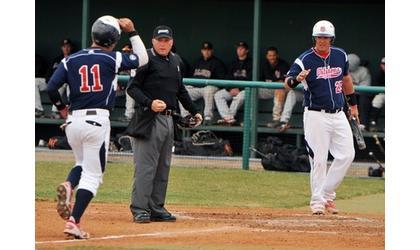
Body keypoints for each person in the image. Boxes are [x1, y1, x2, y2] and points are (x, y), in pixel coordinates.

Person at [47, 16, 148, 239]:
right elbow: (142, 59)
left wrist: (63, 110)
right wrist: (132, 31)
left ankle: (70, 184)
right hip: (97, 121)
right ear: (112, 39)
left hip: (73, 121)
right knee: (94, 176)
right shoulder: (111, 58)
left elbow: (52, 87)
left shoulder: (71, 59)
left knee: (82, 164)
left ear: (94, 35)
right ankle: (74, 221)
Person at [126, 25, 202, 223]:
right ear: (152, 41)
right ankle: (140, 208)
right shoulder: (145, 59)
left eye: (166, 40)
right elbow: (132, 88)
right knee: (145, 166)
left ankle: (156, 207)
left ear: (171, 41)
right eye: (159, 40)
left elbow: (180, 90)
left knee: (163, 166)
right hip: (148, 119)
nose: (163, 43)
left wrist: (195, 111)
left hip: (170, 118)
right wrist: (149, 102)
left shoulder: (175, 60)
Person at [284, 20, 358, 215]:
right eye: (319, 37)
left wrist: (353, 104)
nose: (322, 41)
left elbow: (346, 79)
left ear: (331, 39)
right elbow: (287, 82)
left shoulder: (340, 55)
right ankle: (318, 201)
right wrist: (296, 79)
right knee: (319, 159)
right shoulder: (304, 59)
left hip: (338, 113)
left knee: (347, 154)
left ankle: (326, 193)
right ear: (314, 38)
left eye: (325, 37)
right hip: (316, 114)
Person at [179, 41, 226, 125]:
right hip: (197, 88)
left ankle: (208, 117)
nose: (206, 52)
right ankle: (186, 116)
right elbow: (190, 76)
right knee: (183, 90)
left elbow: (221, 80)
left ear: (212, 51)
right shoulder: (197, 62)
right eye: (204, 50)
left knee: (209, 90)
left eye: (208, 50)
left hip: (208, 88)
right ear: (202, 51)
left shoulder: (217, 63)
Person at [214, 41, 252, 125]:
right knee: (218, 95)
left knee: (240, 96)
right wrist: (230, 88)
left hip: (245, 90)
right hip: (232, 89)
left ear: (247, 51)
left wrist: (240, 89)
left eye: (241, 49)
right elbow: (227, 77)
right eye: (238, 48)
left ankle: (229, 118)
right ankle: (228, 118)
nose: (239, 50)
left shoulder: (251, 63)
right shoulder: (233, 63)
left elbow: (251, 78)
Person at [260, 47, 290, 128]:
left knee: (279, 89)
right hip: (268, 89)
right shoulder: (264, 65)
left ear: (277, 55)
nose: (272, 57)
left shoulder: (283, 64)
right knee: (252, 91)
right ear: (267, 56)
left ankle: (276, 119)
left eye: (273, 55)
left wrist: (277, 82)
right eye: (270, 55)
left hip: (282, 90)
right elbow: (260, 80)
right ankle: (249, 119)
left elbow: (284, 82)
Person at [47, 39, 75, 118]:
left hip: (72, 82)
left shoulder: (75, 58)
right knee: (57, 86)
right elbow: (49, 73)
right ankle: (55, 111)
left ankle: (72, 108)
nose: (66, 48)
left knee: (69, 85)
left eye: (68, 46)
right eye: (64, 47)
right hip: (60, 83)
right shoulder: (57, 60)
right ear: (61, 48)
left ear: (71, 48)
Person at [347, 53, 372, 130]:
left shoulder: (363, 71)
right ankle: (347, 124)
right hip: (347, 93)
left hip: (360, 94)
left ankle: (363, 124)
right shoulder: (342, 69)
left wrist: (352, 88)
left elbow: (365, 87)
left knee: (364, 100)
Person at [369, 57, 385, 132]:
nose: (385, 66)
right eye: (383, 64)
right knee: (377, 101)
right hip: (382, 93)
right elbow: (375, 85)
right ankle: (373, 122)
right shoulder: (379, 74)